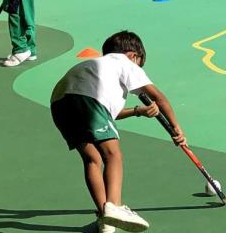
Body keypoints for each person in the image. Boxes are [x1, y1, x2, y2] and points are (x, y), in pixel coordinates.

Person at [50, 31, 186, 233]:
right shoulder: (125, 62)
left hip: (59, 104)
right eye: (139, 64)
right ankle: (114, 206)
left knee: (92, 159)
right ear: (133, 55)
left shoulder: (98, 69)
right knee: (112, 154)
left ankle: (105, 219)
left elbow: (104, 114)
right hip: (87, 100)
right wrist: (176, 128)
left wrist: (138, 111)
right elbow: (158, 97)